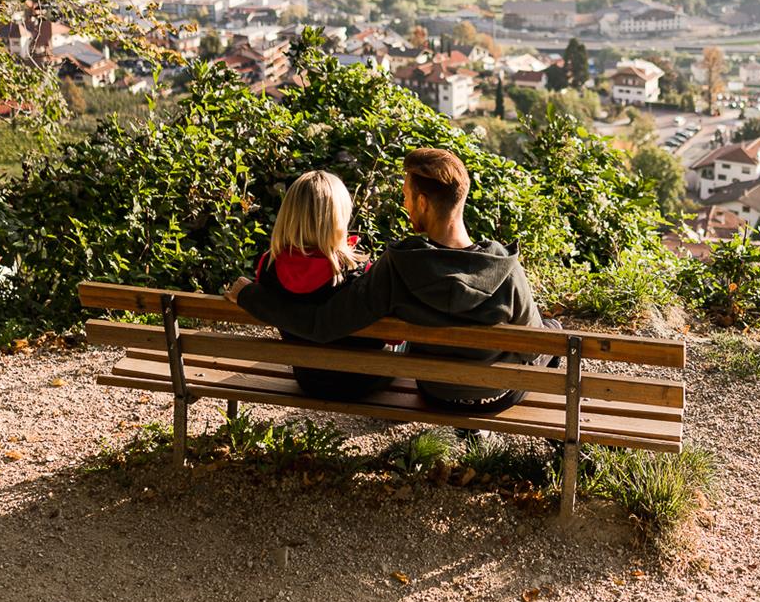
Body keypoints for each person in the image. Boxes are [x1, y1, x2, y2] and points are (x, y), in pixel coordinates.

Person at [229, 148, 551, 413]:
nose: (405, 204)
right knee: (552, 333)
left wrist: (251, 296)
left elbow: (323, 323)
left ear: (423, 202)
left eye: (407, 196)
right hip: (496, 398)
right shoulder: (505, 268)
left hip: (436, 393)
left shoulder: (399, 265)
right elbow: (533, 347)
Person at [249, 170, 396, 401]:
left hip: (308, 379)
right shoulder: (358, 270)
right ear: (338, 218)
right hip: (363, 379)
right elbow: (394, 337)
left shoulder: (269, 265)